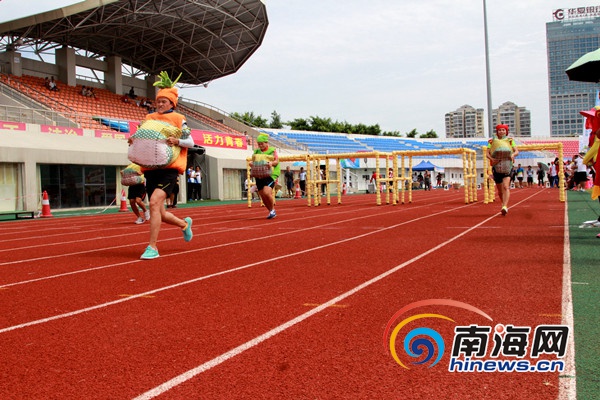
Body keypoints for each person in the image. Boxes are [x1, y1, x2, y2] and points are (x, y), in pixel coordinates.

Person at [127, 71, 194, 260]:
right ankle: (184, 224)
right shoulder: (149, 119)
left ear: (172, 103)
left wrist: (177, 141)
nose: (160, 104)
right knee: (160, 212)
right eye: (158, 101)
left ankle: (152, 247)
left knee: (154, 203)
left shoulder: (179, 119)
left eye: (164, 101)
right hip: (151, 169)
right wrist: (133, 141)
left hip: (169, 169)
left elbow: (190, 142)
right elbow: (141, 137)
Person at [487, 124, 519, 216]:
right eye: (500, 130)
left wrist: (513, 155)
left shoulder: (510, 141)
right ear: (497, 132)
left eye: (503, 130)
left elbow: (516, 151)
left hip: (507, 166)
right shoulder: (492, 141)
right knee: (500, 191)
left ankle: (505, 206)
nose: (502, 131)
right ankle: (503, 203)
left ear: (506, 131)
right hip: (496, 166)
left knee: (506, 186)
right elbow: (487, 153)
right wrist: (492, 159)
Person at [249, 133, 279, 219]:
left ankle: (273, 209)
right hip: (259, 175)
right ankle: (271, 211)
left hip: (270, 175)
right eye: (259, 144)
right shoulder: (256, 152)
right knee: (262, 195)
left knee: (266, 192)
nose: (260, 145)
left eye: (262, 143)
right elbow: (252, 161)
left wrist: (271, 163)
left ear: (266, 142)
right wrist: (251, 163)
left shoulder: (272, 150)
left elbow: (276, 161)